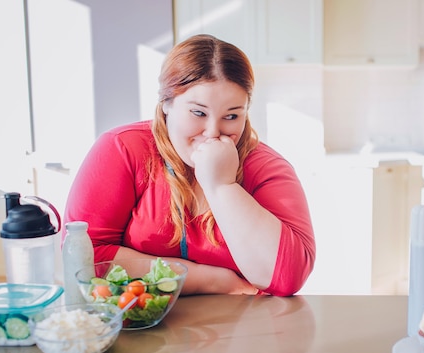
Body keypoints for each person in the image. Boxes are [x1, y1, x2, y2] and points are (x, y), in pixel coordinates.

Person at [64, 34, 316, 296]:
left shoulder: (266, 167)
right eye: (198, 112)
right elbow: (84, 256)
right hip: (140, 323)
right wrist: (210, 280)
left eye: (231, 116)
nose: (212, 133)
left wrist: (222, 186)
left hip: (245, 326)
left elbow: (289, 275)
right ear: (166, 104)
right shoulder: (122, 149)